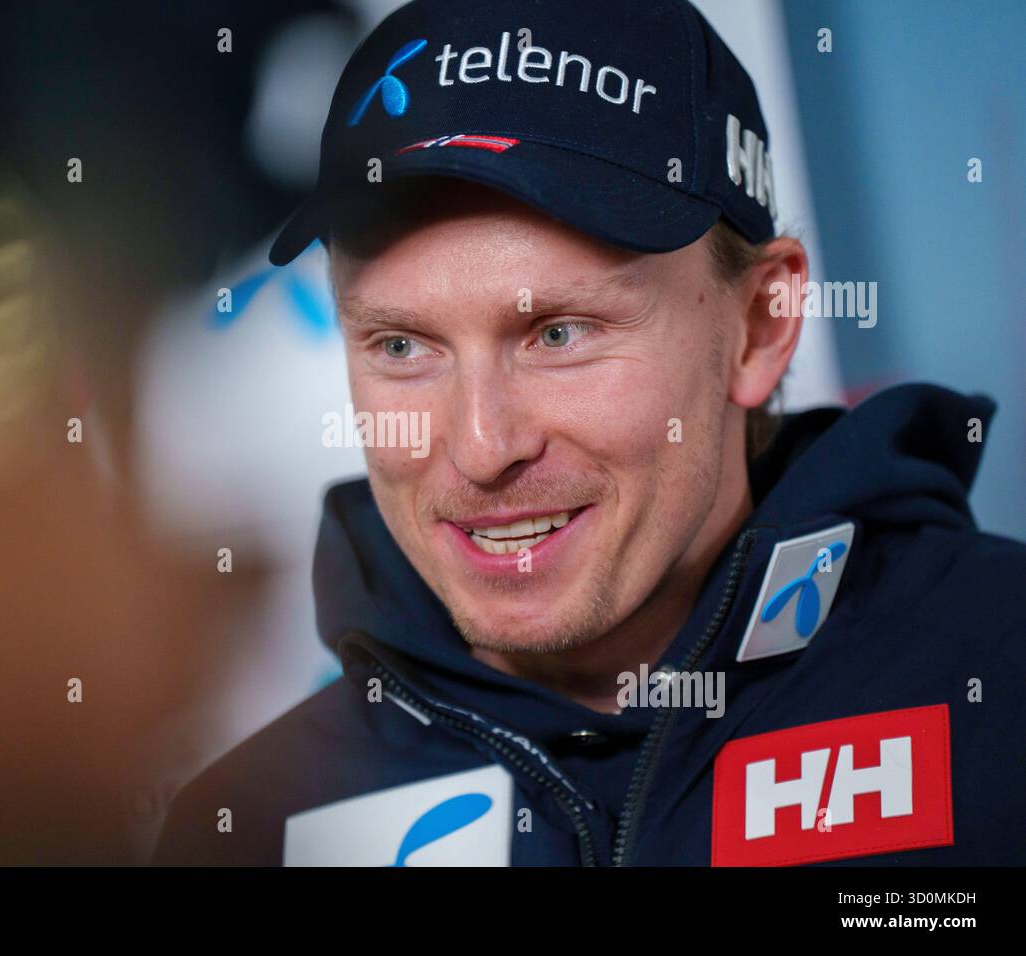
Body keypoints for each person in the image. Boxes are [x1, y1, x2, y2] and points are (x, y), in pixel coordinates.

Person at [153, 0, 1025, 866]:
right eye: (402, 345)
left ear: (760, 324)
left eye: (558, 335)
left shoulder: (999, 681)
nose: (483, 447)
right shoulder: (246, 827)